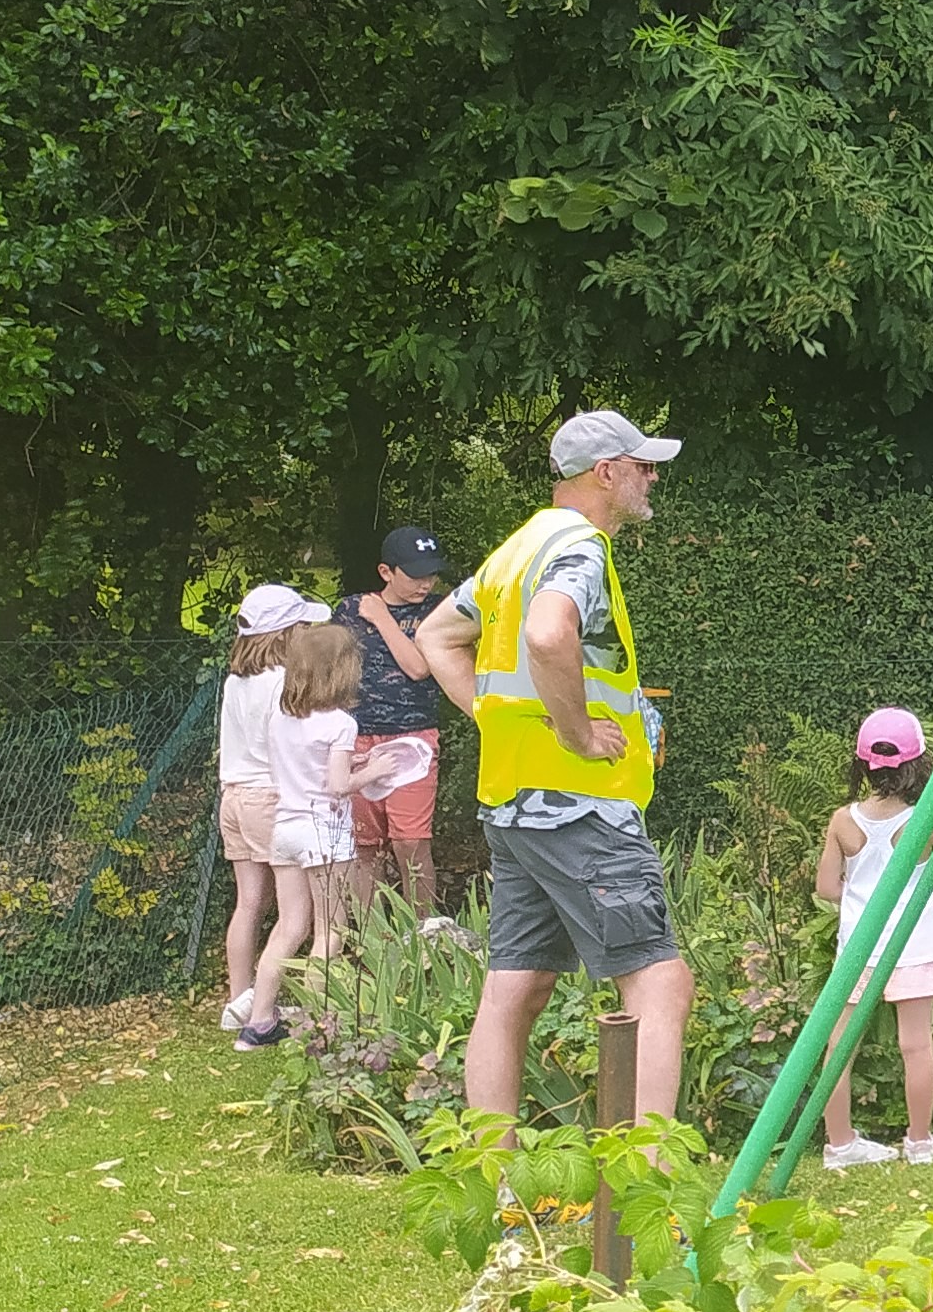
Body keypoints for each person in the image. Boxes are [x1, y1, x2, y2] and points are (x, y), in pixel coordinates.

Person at [416, 410, 697, 1125]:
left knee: (516, 987)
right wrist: (574, 733)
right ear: (607, 472)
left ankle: (496, 1184)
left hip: (512, 802)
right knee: (660, 984)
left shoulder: (518, 547)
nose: (652, 476)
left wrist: (491, 715)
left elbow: (437, 635)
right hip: (580, 804)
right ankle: (650, 1179)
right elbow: (548, 633)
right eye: (643, 464)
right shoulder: (579, 547)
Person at [812, 707, 933, 1169]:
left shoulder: (841, 821)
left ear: (862, 764)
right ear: (917, 765)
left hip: (857, 950)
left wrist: (857, 894)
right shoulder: (924, 822)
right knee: (916, 1045)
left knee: (838, 1046)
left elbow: (826, 889)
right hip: (913, 947)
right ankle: (920, 1143)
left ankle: (840, 1145)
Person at [241, 621, 382, 1051]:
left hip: (285, 829)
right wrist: (376, 770)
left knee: (289, 927)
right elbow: (338, 786)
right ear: (342, 671)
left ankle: (258, 1022)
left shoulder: (280, 717)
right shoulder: (341, 723)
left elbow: (309, 770)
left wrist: (358, 764)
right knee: (330, 931)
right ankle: (321, 1024)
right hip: (324, 833)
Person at [217, 583, 326, 1033]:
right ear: (285, 632)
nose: (306, 632)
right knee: (295, 914)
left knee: (248, 903)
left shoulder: (235, 679)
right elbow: (292, 747)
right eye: (301, 625)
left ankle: (238, 998)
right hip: (270, 798)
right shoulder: (284, 681)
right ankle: (265, 1009)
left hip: (234, 796)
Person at [340, 526, 452, 927]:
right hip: (357, 737)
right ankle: (372, 941)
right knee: (364, 845)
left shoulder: (438, 611)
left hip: (413, 739)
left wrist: (384, 619)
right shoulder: (350, 610)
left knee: (410, 840)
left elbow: (420, 668)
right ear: (386, 572)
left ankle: (423, 935)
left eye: (432, 573)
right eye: (415, 574)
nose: (426, 583)